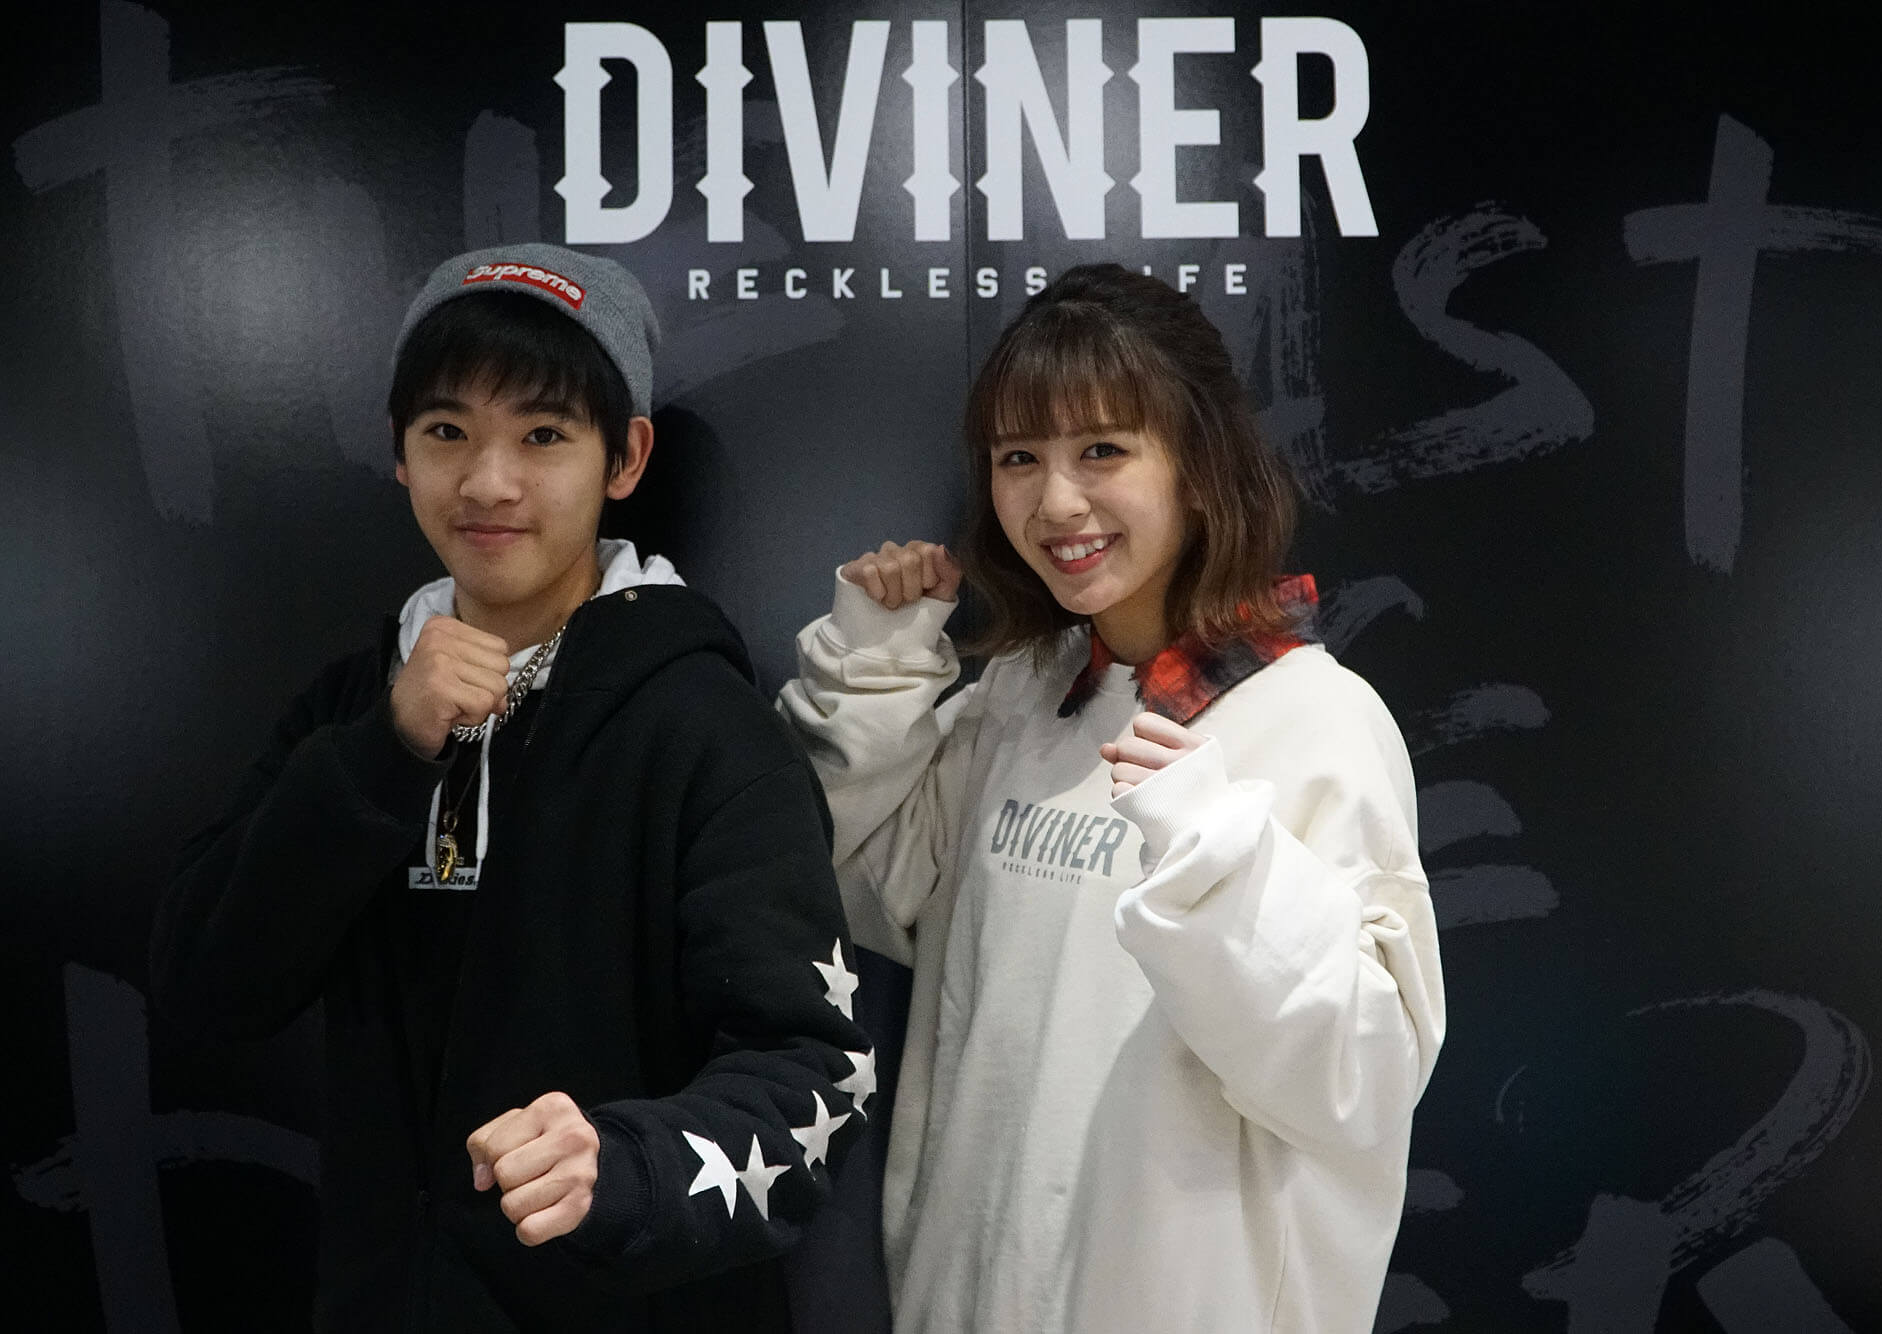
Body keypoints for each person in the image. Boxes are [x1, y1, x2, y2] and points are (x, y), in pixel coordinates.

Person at [152, 243, 874, 1332]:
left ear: (625, 455)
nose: (489, 482)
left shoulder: (705, 725)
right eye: (447, 431)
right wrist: (385, 752)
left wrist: (622, 1166)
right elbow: (208, 984)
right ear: (400, 452)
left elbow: (813, 1070)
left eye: (543, 434)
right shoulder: (351, 705)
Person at [777, 264, 1446, 1332]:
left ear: (1199, 464)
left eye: (1102, 449)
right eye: (1018, 458)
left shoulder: (1318, 719)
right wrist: (874, 666)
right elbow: (866, 881)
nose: (1055, 502)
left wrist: (1226, 877)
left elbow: (1361, 1084)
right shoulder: (1022, 694)